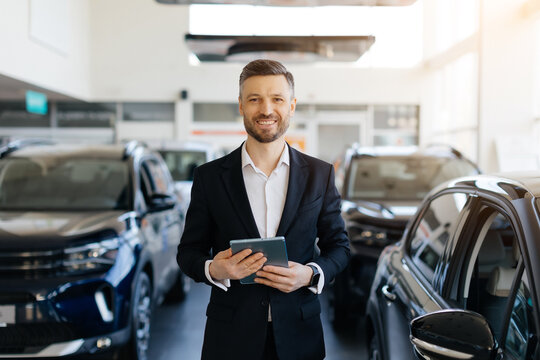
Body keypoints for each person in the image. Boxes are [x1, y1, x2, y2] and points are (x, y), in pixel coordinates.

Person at [177, 59, 350, 360]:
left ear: (292, 106)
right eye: (254, 99)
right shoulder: (209, 177)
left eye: (277, 99)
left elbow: (340, 248)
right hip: (230, 340)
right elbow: (188, 251)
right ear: (241, 106)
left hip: (300, 337)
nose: (266, 110)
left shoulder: (319, 175)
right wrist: (213, 269)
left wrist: (310, 274)